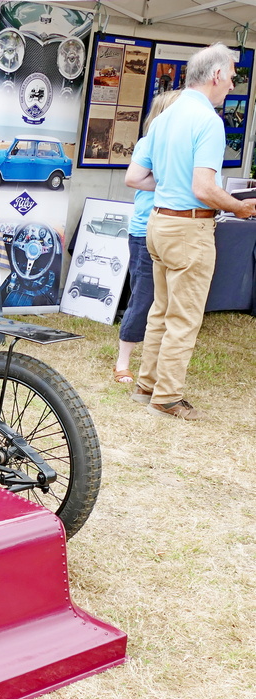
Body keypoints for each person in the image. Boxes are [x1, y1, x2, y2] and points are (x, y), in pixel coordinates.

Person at [124, 43, 256, 420]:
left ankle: (146, 385)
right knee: (184, 318)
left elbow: (142, 176)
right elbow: (203, 187)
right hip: (189, 226)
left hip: (159, 223)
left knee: (160, 312)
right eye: (231, 76)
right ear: (216, 75)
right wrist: (239, 206)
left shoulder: (165, 117)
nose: (232, 83)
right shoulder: (209, 121)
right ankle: (167, 397)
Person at [113, 90, 183, 384]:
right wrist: (172, 177)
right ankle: (123, 362)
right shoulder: (150, 142)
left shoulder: (178, 144)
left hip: (171, 227)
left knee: (164, 299)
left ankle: (153, 362)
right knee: (143, 296)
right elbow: (133, 178)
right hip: (145, 229)